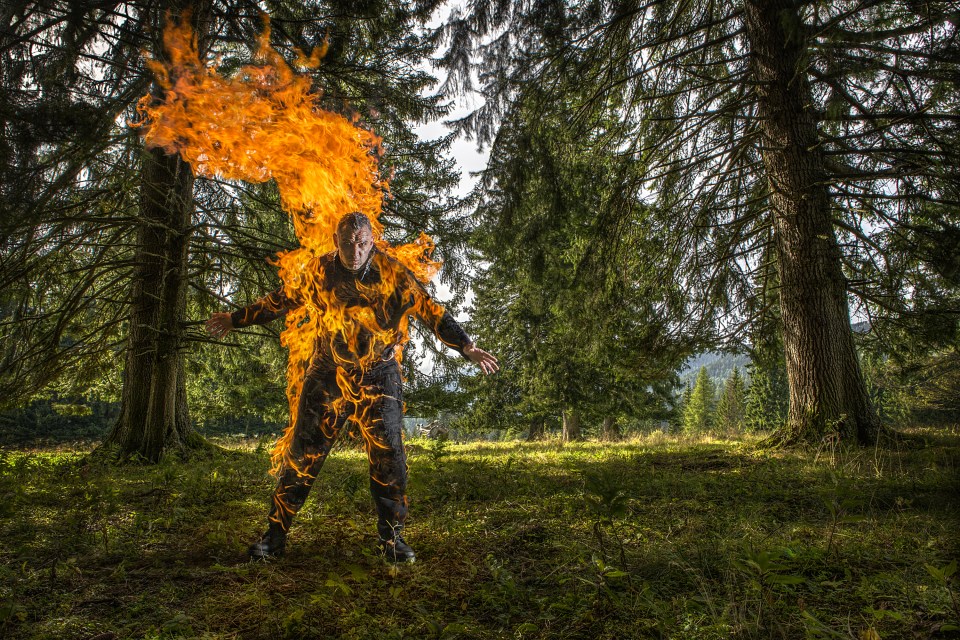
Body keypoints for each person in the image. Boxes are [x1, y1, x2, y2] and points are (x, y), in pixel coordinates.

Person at [206, 212, 497, 562]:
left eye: (361, 243)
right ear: (336, 242)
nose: (354, 251)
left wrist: (466, 346)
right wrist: (234, 318)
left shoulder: (392, 273)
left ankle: (392, 540)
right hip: (328, 374)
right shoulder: (320, 271)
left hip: (379, 375)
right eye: (347, 243)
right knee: (302, 455)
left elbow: (432, 311)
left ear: (371, 242)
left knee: (389, 456)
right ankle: (274, 537)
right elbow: (280, 300)